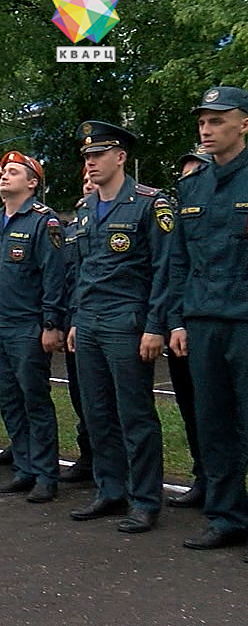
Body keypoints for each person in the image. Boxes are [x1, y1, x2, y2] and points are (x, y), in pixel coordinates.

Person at [66, 120, 170, 534]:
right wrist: (75, 318)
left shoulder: (149, 203)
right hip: (89, 320)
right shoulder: (84, 209)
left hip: (127, 320)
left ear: (121, 157)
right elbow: (83, 270)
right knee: (97, 412)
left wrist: (155, 325)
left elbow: (164, 269)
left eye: (98, 155)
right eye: (87, 157)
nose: (90, 163)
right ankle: (111, 489)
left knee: (135, 414)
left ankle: (145, 499)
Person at [169, 86, 248, 553]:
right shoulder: (190, 187)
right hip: (202, 321)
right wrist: (177, 320)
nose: (206, 129)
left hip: (244, 321)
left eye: (218, 120)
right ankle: (226, 516)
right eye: (202, 120)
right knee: (213, 421)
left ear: (244, 124)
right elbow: (178, 260)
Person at [0, 151, 67, 503]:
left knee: (35, 401)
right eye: (2, 172)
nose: (4, 176)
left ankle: (46, 473)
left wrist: (50, 323)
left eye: (13, 172)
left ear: (32, 182)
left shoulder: (44, 222)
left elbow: (53, 277)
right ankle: (25, 468)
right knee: (9, 401)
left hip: (28, 326)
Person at [165, 146, 213, 509]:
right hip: (184, 326)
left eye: (196, 172)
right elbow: (171, 273)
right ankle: (204, 478)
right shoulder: (180, 219)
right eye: (184, 175)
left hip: (223, 324)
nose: (188, 180)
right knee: (193, 409)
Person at [59, 169, 98, 483]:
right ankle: (89, 455)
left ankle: (113, 463)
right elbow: (65, 278)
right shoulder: (73, 226)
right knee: (81, 396)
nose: (87, 180)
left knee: (107, 400)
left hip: (109, 320)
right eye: (82, 176)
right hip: (76, 320)